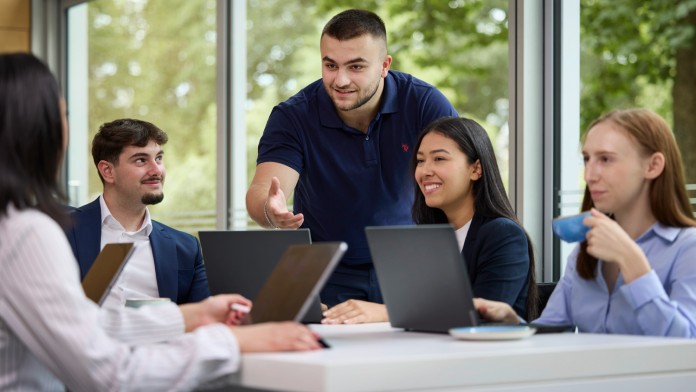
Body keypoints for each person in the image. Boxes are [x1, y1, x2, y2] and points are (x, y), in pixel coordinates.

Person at [0, 52, 322, 391]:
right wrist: (232, 342)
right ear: (41, 127)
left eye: (158, 158)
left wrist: (192, 316)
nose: (156, 170)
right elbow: (110, 373)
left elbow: (85, 326)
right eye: (63, 114)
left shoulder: (16, 227)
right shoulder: (27, 233)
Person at [246, 9, 458, 308]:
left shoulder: (424, 103)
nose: (340, 80)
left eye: (356, 67)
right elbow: (263, 190)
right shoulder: (293, 116)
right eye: (330, 65)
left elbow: (461, 183)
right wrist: (270, 211)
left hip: (413, 263)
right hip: (326, 270)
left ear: (384, 66)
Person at [475, 108, 696, 337]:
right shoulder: (585, 250)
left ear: (653, 166)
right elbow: (554, 330)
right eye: (587, 159)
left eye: (606, 159)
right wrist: (515, 324)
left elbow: (688, 344)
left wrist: (633, 263)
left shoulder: (688, 247)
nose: (589, 175)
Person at [323, 117, 538, 324]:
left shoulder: (503, 234)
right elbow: (417, 313)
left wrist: (387, 312)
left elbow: (488, 315)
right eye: (420, 161)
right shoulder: (425, 237)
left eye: (439, 159)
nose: (425, 171)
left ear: (476, 169)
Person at [65, 119, 208, 309]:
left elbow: (204, 320)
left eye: (158, 158)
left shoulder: (187, 249)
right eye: (141, 160)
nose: (156, 170)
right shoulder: (62, 231)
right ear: (108, 171)